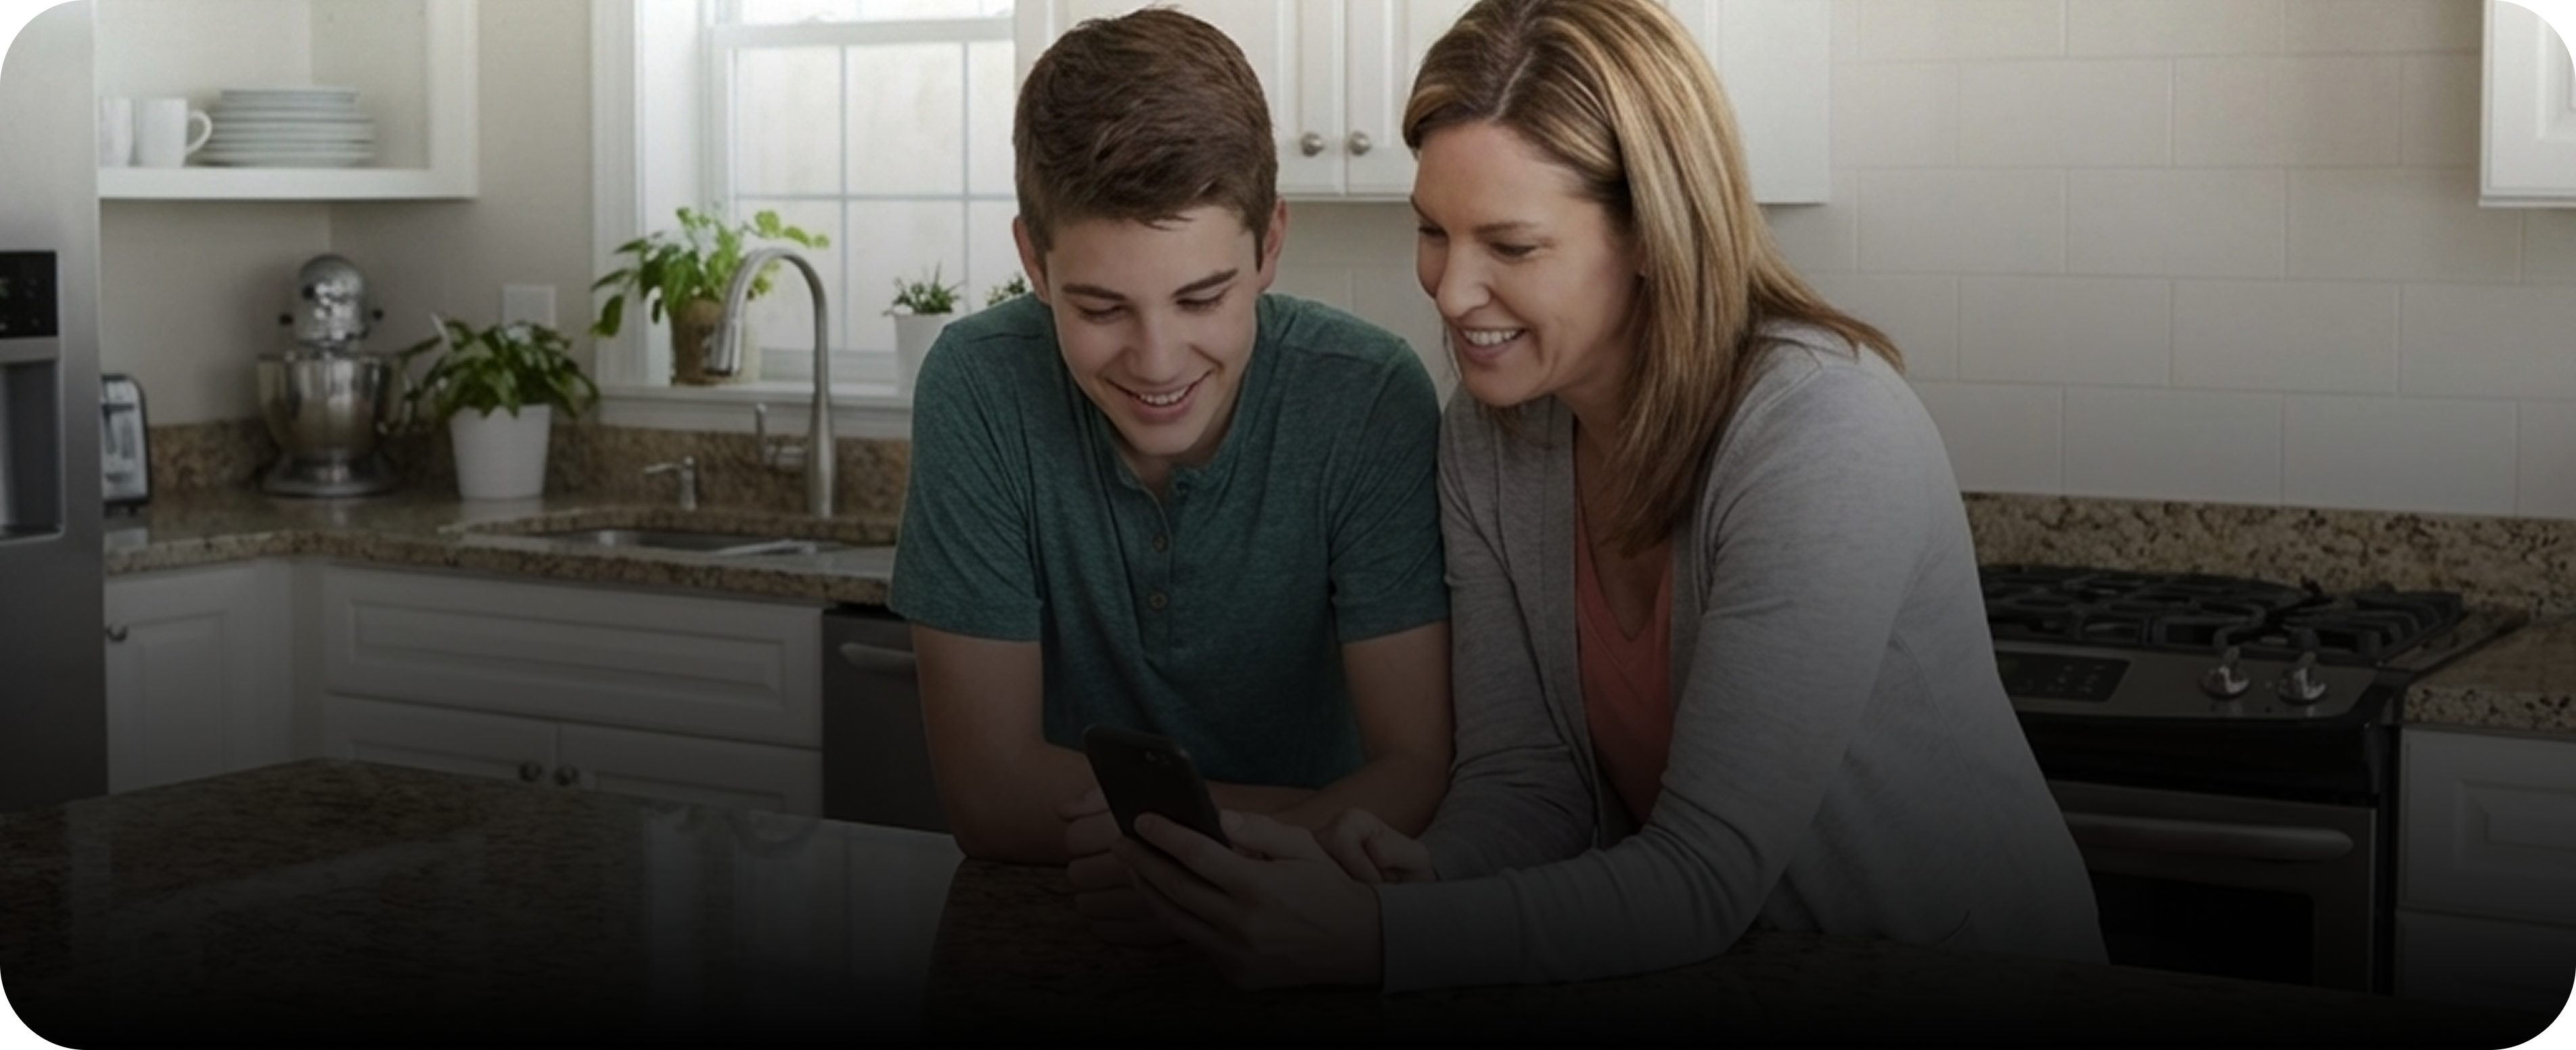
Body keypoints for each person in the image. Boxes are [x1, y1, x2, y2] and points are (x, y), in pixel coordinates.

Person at [1107, 0, 2106, 990]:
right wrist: (1425, 875)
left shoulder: (1821, 432)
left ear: (1652, 234)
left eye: (1511, 246)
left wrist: (1377, 937)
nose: (1451, 290)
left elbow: (1706, 873)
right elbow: (1528, 781)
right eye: (1433, 231)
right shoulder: (1495, 432)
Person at [886, 8, 1454, 942]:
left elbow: (1417, 769)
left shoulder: (1367, 396)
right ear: (1033, 261)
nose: (1157, 361)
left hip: (1315, 927)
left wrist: (1166, 843)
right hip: (1077, 930)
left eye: (1202, 298)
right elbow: (988, 797)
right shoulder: (978, 385)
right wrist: (1287, 832)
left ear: (1270, 245)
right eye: (1101, 308)